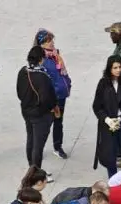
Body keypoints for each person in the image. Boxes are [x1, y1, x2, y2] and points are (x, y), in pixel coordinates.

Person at [32, 29, 73, 161]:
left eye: (52, 40)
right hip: (49, 98)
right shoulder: (41, 59)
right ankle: (37, 148)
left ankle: (58, 146)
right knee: (45, 124)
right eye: (48, 41)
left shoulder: (56, 55)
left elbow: (63, 72)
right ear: (41, 43)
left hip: (61, 95)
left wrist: (68, 83)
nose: (51, 43)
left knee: (58, 122)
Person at [17, 46, 58, 175]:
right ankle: (36, 174)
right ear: (41, 59)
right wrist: (51, 108)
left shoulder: (23, 72)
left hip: (26, 111)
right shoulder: (43, 76)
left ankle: (31, 169)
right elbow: (48, 98)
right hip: (41, 114)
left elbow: (19, 92)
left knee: (31, 139)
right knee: (38, 145)